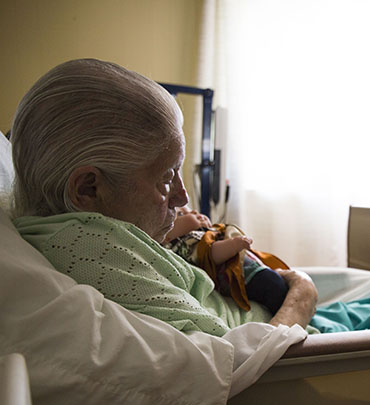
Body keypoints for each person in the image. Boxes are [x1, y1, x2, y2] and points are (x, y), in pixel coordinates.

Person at [10, 58, 370, 345]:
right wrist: (302, 295)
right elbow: (234, 358)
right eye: (166, 178)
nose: (182, 196)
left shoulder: (86, 229)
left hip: (275, 314)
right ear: (88, 188)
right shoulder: (85, 247)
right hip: (305, 341)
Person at [163, 206, 289, 315]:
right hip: (244, 276)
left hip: (251, 268)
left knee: (280, 286)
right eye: (181, 214)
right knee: (274, 287)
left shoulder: (205, 233)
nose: (194, 212)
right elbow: (211, 254)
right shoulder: (184, 244)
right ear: (166, 236)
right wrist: (234, 245)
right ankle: (290, 317)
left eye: (190, 210)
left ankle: (299, 314)